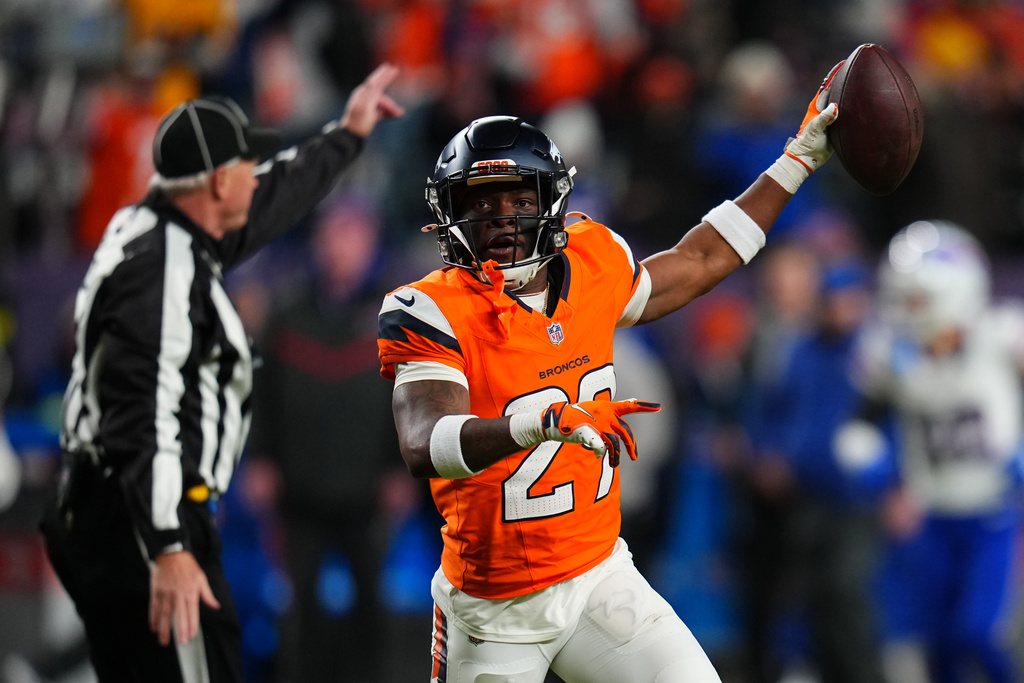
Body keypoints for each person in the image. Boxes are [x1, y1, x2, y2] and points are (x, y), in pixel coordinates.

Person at [377, 62, 842, 681]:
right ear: (449, 213)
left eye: (521, 200)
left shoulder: (592, 259)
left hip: (599, 574)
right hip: (494, 607)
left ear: (552, 204)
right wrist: (541, 423)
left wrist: (796, 161)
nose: (502, 219)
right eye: (481, 202)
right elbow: (424, 443)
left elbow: (702, 258)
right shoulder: (430, 307)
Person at [39, 64, 403, 682]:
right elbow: (141, 418)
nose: (253, 174)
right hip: (139, 519)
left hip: (131, 510)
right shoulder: (157, 272)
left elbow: (275, 193)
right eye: (242, 164)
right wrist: (170, 546)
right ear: (215, 180)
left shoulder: (170, 227)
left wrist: (347, 135)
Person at [836, 220, 1024, 683]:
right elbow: (856, 432)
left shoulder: (1003, 336)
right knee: (937, 643)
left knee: (976, 633)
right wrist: (882, 477)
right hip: (930, 513)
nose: (907, 312)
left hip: (994, 510)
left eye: (917, 300)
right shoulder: (890, 353)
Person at [248, 192, 408, 683]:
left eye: (351, 234)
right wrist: (260, 459)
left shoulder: (396, 316)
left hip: (368, 493)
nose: (340, 246)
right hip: (300, 492)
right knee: (301, 611)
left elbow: (411, 397)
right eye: (332, 233)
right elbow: (262, 393)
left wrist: (402, 469)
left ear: (371, 242)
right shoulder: (287, 316)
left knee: (371, 606)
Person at [739, 260, 889, 683]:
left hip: (857, 497)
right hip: (802, 495)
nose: (840, 310)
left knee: (846, 589)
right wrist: (765, 453)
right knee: (805, 597)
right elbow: (769, 409)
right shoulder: (799, 350)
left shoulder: (876, 353)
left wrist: (895, 481)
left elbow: (896, 419)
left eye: (848, 301)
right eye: (832, 301)